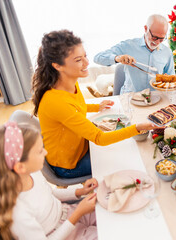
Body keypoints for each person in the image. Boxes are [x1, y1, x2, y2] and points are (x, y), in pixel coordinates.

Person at [32, 30, 156, 178]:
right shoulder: (56, 101)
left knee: (125, 148)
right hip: (69, 164)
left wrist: (97, 107)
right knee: (128, 160)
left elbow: (76, 107)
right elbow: (99, 138)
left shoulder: (68, 83)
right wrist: (136, 128)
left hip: (82, 145)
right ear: (58, 66)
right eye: (78, 60)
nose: (86, 63)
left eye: (85, 56)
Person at [0, 122, 99, 239]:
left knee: (112, 213)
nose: (45, 153)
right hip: (63, 234)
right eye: (40, 151)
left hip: (68, 212)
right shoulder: (17, 214)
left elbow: (49, 193)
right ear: (20, 167)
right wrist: (78, 213)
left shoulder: (32, 173)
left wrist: (80, 191)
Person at [93, 14, 175, 94]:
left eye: (161, 39)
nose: (157, 42)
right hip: (130, 99)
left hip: (156, 99)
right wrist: (117, 58)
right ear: (146, 29)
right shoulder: (128, 46)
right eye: (154, 37)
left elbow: (171, 78)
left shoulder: (167, 52)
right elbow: (97, 58)